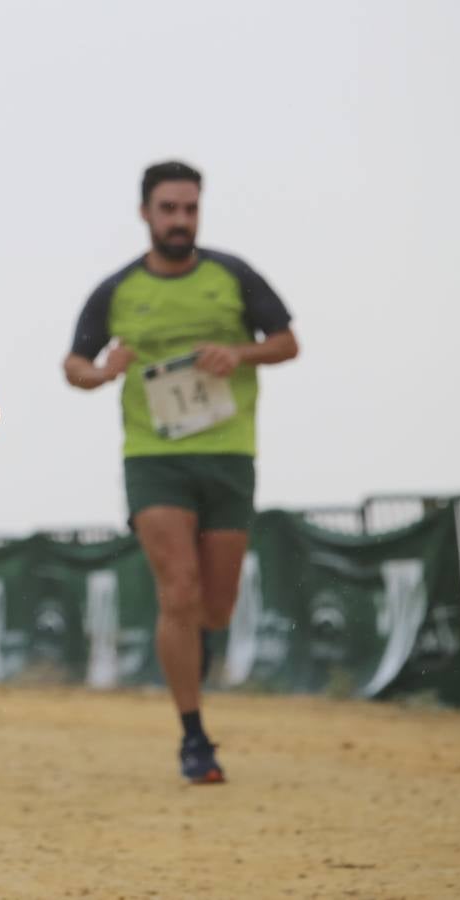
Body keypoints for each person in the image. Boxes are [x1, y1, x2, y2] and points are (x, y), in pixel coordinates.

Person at [63, 160, 298, 784]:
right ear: (146, 212)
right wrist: (104, 370)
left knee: (214, 607)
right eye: (168, 209)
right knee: (179, 592)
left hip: (228, 452)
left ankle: (197, 652)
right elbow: (73, 365)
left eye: (189, 209)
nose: (179, 220)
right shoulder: (118, 289)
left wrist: (240, 352)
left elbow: (288, 341)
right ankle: (194, 738)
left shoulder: (233, 276)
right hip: (154, 457)